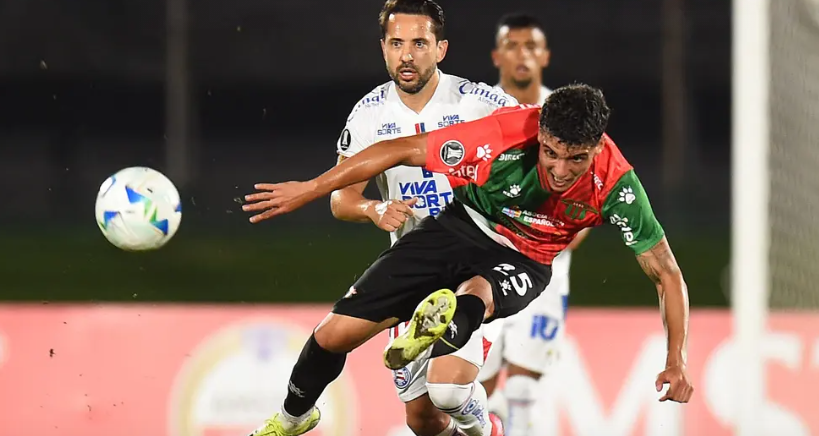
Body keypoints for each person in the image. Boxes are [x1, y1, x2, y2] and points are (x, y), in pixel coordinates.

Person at [243, 84, 695, 436]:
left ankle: (457, 344)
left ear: (596, 148)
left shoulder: (618, 186)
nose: (559, 171)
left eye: (575, 159)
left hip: (525, 259)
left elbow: (666, 273)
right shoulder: (504, 135)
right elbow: (399, 149)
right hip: (460, 227)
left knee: (457, 349)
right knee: (333, 337)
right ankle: (291, 418)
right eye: (551, 152)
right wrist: (310, 187)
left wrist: (677, 359)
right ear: (540, 133)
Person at [326, 1, 516, 435]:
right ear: (383, 49)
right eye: (396, 43)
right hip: (412, 270)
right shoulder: (369, 114)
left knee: (448, 391)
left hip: (476, 267)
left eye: (418, 43)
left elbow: (533, 153)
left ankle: (485, 428)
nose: (406, 55)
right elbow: (341, 198)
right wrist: (373, 209)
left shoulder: (481, 103)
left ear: (441, 48)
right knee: (423, 419)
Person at [478, 13, 589, 435]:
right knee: (479, 387)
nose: (522, 54)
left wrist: (569, 238)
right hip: (485, 265)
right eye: (512, 45)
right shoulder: (478, 110)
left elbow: (591, 185)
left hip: (544, 270)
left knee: (524, 384)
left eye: (531, 46)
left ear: (545, 56)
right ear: (496, 55)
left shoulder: (569, 112)